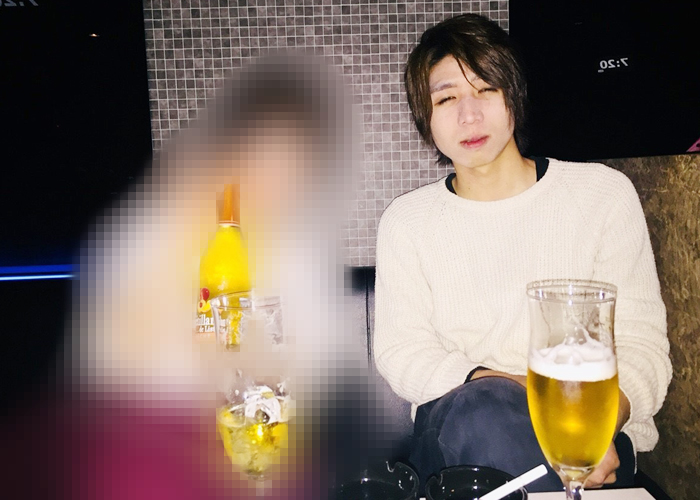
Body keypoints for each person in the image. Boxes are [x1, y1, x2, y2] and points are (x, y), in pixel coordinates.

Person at [373, 13, 672, 492]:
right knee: (483, 412)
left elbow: (642, 346)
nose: (469, 115)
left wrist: (592, 428)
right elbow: (402, 351)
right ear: (424, 118)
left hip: (596, 437)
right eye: (446, 98)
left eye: (486, 89)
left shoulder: (602, 196)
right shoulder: (408, 221)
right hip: (456, 431)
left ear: (514, 95)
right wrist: (524, 397)